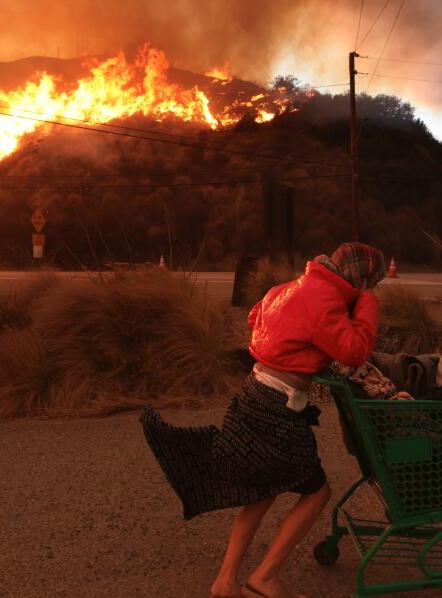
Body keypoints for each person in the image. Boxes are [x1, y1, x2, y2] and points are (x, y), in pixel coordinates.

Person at [140, 243, 384, 598]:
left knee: (262, 489)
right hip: (279, 405)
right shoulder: (326, 299)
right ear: (360, 280)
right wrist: (368, 303)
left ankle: (226, 581)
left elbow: (255, 317)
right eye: (370, 283)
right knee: (317, 492)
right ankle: (265, 577)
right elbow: (355, 349)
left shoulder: (289, 287)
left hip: (254, 390)